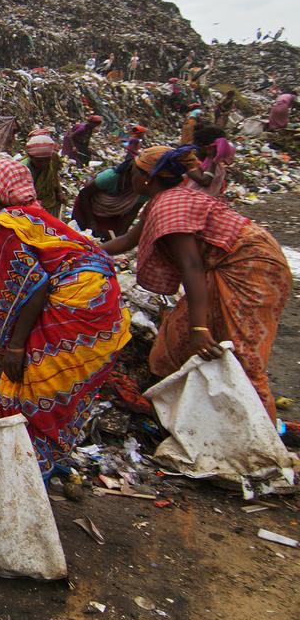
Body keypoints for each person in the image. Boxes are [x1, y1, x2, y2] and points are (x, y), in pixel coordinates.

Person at [0, 158, 131, 476]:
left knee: (31, 388)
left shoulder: (5, 227)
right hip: (103, 309)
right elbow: (40, 269)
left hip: (74, 312)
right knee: (48, 392)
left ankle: (25, 473)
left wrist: (15, 347)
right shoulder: (35, 217)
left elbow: (33, 287)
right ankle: (35, 463)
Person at [102, 147, 290, 420]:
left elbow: (192, 266)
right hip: (225, 266)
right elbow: (128, 240)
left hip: (251, 268)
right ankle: (188, 416)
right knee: (175, 340)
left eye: (132, 172)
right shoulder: (161, 200)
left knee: (241, 353)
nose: (128, 177)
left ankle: (262, 434)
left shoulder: (169, 206)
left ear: (146, 178)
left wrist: (199, 326)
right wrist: (82, 248)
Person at [70, 158, 147, 239]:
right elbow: (84, 194)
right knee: (78, 235)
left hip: (111, 216)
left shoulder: (143, 191)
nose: (145, 179)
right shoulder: (111, 176)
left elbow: (132, 213)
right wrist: (91, 223)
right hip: (87, 208)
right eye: (142, 174)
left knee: (104, 239)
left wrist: (120, 237)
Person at [23, 135, 67, 217]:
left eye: (47, 159)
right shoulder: (24, 169)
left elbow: (54, 175)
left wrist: (59, 192)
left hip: (51, 201)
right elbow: (24, 197)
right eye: (39, 161)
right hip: (34, 208)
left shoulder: (53, 157)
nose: (44, 163)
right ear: (30, 156)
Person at [193, 122, 235, 197]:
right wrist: (212, 158)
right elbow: (205, 182)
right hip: (191, 203)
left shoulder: (217, 163)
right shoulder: (190, 161)